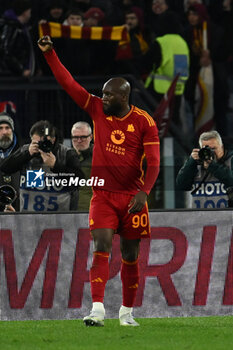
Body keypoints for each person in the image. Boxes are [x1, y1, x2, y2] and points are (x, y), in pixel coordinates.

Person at [37, 35, 160, 326]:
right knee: (101, 246)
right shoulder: (95, 110)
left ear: (123, 97)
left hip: (133, 198)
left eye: (108, 95)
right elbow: (69, 84)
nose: (102, 98)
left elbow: (154, 162)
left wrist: (144, 192)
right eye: (102, 94)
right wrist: (50, 54)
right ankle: (97, 309)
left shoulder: (144, 122)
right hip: (103, 195)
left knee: (131, 255)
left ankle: (127, 313)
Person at [0, 120, 84, 212]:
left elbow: (80, 181)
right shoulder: (27, 150)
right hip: (28, 218)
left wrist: (55, 166)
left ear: (53, 139)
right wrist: (27, 154)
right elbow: (5, 168)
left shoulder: (66, 153)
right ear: (32, 140)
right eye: (37, 143)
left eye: (44, 142)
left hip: (60, 218)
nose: (41, 146)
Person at [176, 130, 233, 208]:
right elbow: (181, 185)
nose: (211, 152)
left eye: (213, 148)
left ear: (222, 147)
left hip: (226, 217)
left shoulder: (231, 160)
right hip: (200, 217)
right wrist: (191, 162)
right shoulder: (196, 163)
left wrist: (212, 166)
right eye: (207, 149)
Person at [0, 0, 35, 77]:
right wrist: (21, 70)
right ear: (25, 12)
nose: (30, 15)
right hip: (11, 76)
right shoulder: (11, 27)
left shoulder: (22, 28)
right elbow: (6, 52)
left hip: (16, 74)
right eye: (29, 12)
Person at [0, 112, 20, 211]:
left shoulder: (24, 152)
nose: (4, 132)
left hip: (21, 213)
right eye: (0, 128)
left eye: (7, 128)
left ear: (12, 130)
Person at [71, 121, 93, 211]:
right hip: (68, 212)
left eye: (83, 137)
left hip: (92, 211)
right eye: (75, 137)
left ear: (91, 137)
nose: (79, 141)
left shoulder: (101, 157)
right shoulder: (64, 156)